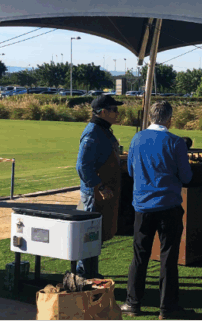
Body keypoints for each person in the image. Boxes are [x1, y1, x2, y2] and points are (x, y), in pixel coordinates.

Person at [121, 101, 195, 320]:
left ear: (151, 117)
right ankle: (167, 307)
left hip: (143, 205)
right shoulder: (176, 142)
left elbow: (131, 170)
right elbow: (187, 177)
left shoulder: (137, 138)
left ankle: (133, 303)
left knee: (139, 255)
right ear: (169, 119)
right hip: (168, 206)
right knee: (168, 257)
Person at [74, 94, 124, 279]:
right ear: (103, 112)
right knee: (89, 237)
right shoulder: (93, 132)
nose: (117, 113)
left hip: (99, 193)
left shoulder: (102, 129)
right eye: (114, 110)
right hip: (94, 195)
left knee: (95, 237)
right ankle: (83, 275)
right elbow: (82, 166)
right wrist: (100, 187)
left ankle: (90, 273)